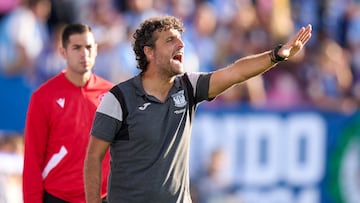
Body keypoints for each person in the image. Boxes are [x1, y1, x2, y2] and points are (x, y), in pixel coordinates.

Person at [84, 15, 312, 203]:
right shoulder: (118, 98)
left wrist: (276, 55)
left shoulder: (189, 87)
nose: (181, 45)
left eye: (180, 39)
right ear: (149, 52)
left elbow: (236, 72)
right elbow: (94, 158)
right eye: (170, 40)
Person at [23, 23, 112, 203]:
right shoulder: (43, 97)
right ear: (63, 52)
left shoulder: (113, 95)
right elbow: (32, 158)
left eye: (88, 47)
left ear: (95, 50)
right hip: (58, 197)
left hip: (103, 196)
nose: (84, 54)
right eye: (76, 48)